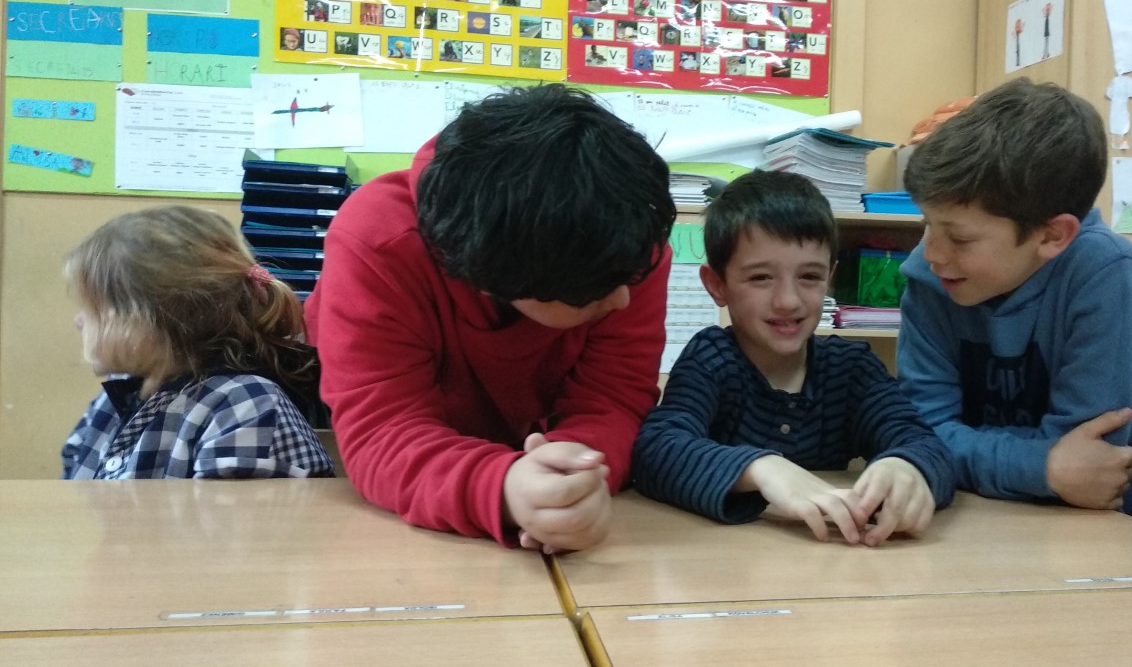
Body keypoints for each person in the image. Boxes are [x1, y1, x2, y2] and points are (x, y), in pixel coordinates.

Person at [305, 84, 676, 550]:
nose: (623, 299)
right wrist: (502, 488)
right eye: (594, 290)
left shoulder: (623, 243)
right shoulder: (377, 242)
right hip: (415, 516)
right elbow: (383, 431)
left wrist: (573, 478)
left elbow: (614, 400)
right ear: (486, 277)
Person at [632, 170, 954, 545]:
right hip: (730, 560)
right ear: (717, 285)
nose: (788, 300)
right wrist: (762, 469)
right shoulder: (710, 359)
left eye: (809, 277)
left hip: (833, 559)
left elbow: (925, 444)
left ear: (830, 278)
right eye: (760, 278)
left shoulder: (852, 368)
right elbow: (655, 451)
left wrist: (908, 467)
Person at [897, 78, 1132, 520]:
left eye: (959, 238)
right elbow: (916, 437)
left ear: (1052, 236)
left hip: (1093, 535)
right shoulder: (931, 278)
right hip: (958, 524)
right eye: (928, 223)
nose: (932, 253)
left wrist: (961, 449)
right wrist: (1043, 466)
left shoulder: (1107, 275)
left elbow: (1092, 466)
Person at [61, 206, 333, 480]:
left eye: (92, 309)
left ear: (148, 319)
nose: (78, 321)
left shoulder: (244, 405)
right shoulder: (112, 400)